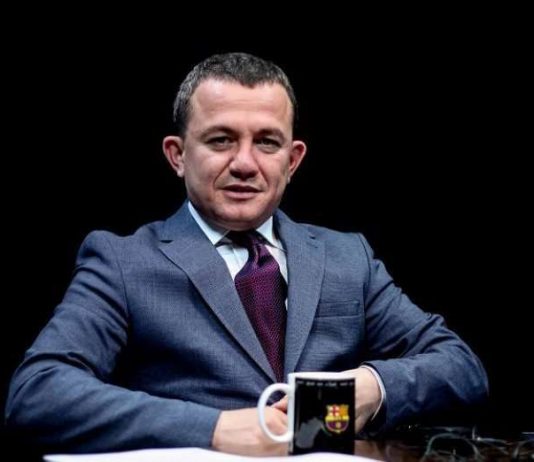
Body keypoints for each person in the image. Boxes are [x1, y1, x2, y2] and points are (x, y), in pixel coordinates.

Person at [5, 52, 488, 456]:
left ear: (292, 160)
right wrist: (215, 429)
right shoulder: (123, 262)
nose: (244, 163)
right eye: (220, 140)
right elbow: (38, 392)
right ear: (177, 155)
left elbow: (461, 367)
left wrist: (370, 388)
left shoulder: (348, 258)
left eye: (267, 142)